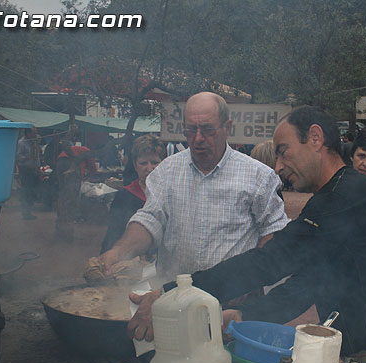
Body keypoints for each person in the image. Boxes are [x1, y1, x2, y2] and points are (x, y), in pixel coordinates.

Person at [129, 106, 366, 363]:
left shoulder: (347, 197)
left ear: (315, 138)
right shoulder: (336, 196)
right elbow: (310, 282)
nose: (278, 165)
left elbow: (272, 260)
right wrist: (248, 314)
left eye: (283, 151)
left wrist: (177, 294)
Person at [95, 91, 289, 283]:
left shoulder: (259, 177)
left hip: (232, 296)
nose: (197, 139)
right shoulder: (166, 172)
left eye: (207, 130)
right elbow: (150, 220)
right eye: (190, 131)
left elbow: (273, 231)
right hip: (173, 295)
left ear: (227, 127)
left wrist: (251, 278)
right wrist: (118, 252)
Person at [100, 135, 166, 254]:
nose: (149, 168)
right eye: (143, 163)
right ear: (135, 165)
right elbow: (112, 236)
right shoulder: (124, 197)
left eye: (155, 162)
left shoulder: (170, 195)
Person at [16, 127, 42, 220]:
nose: (35, 135)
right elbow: (18, 157)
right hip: (25, 169)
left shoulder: (35, 141)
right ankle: (26, 212)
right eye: (33, 133)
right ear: (28, 133)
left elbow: (38, 153)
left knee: (33, 190)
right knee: (27, 191)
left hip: (35, 169)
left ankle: (29, 209)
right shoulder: (21, 143)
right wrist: (26, 157)